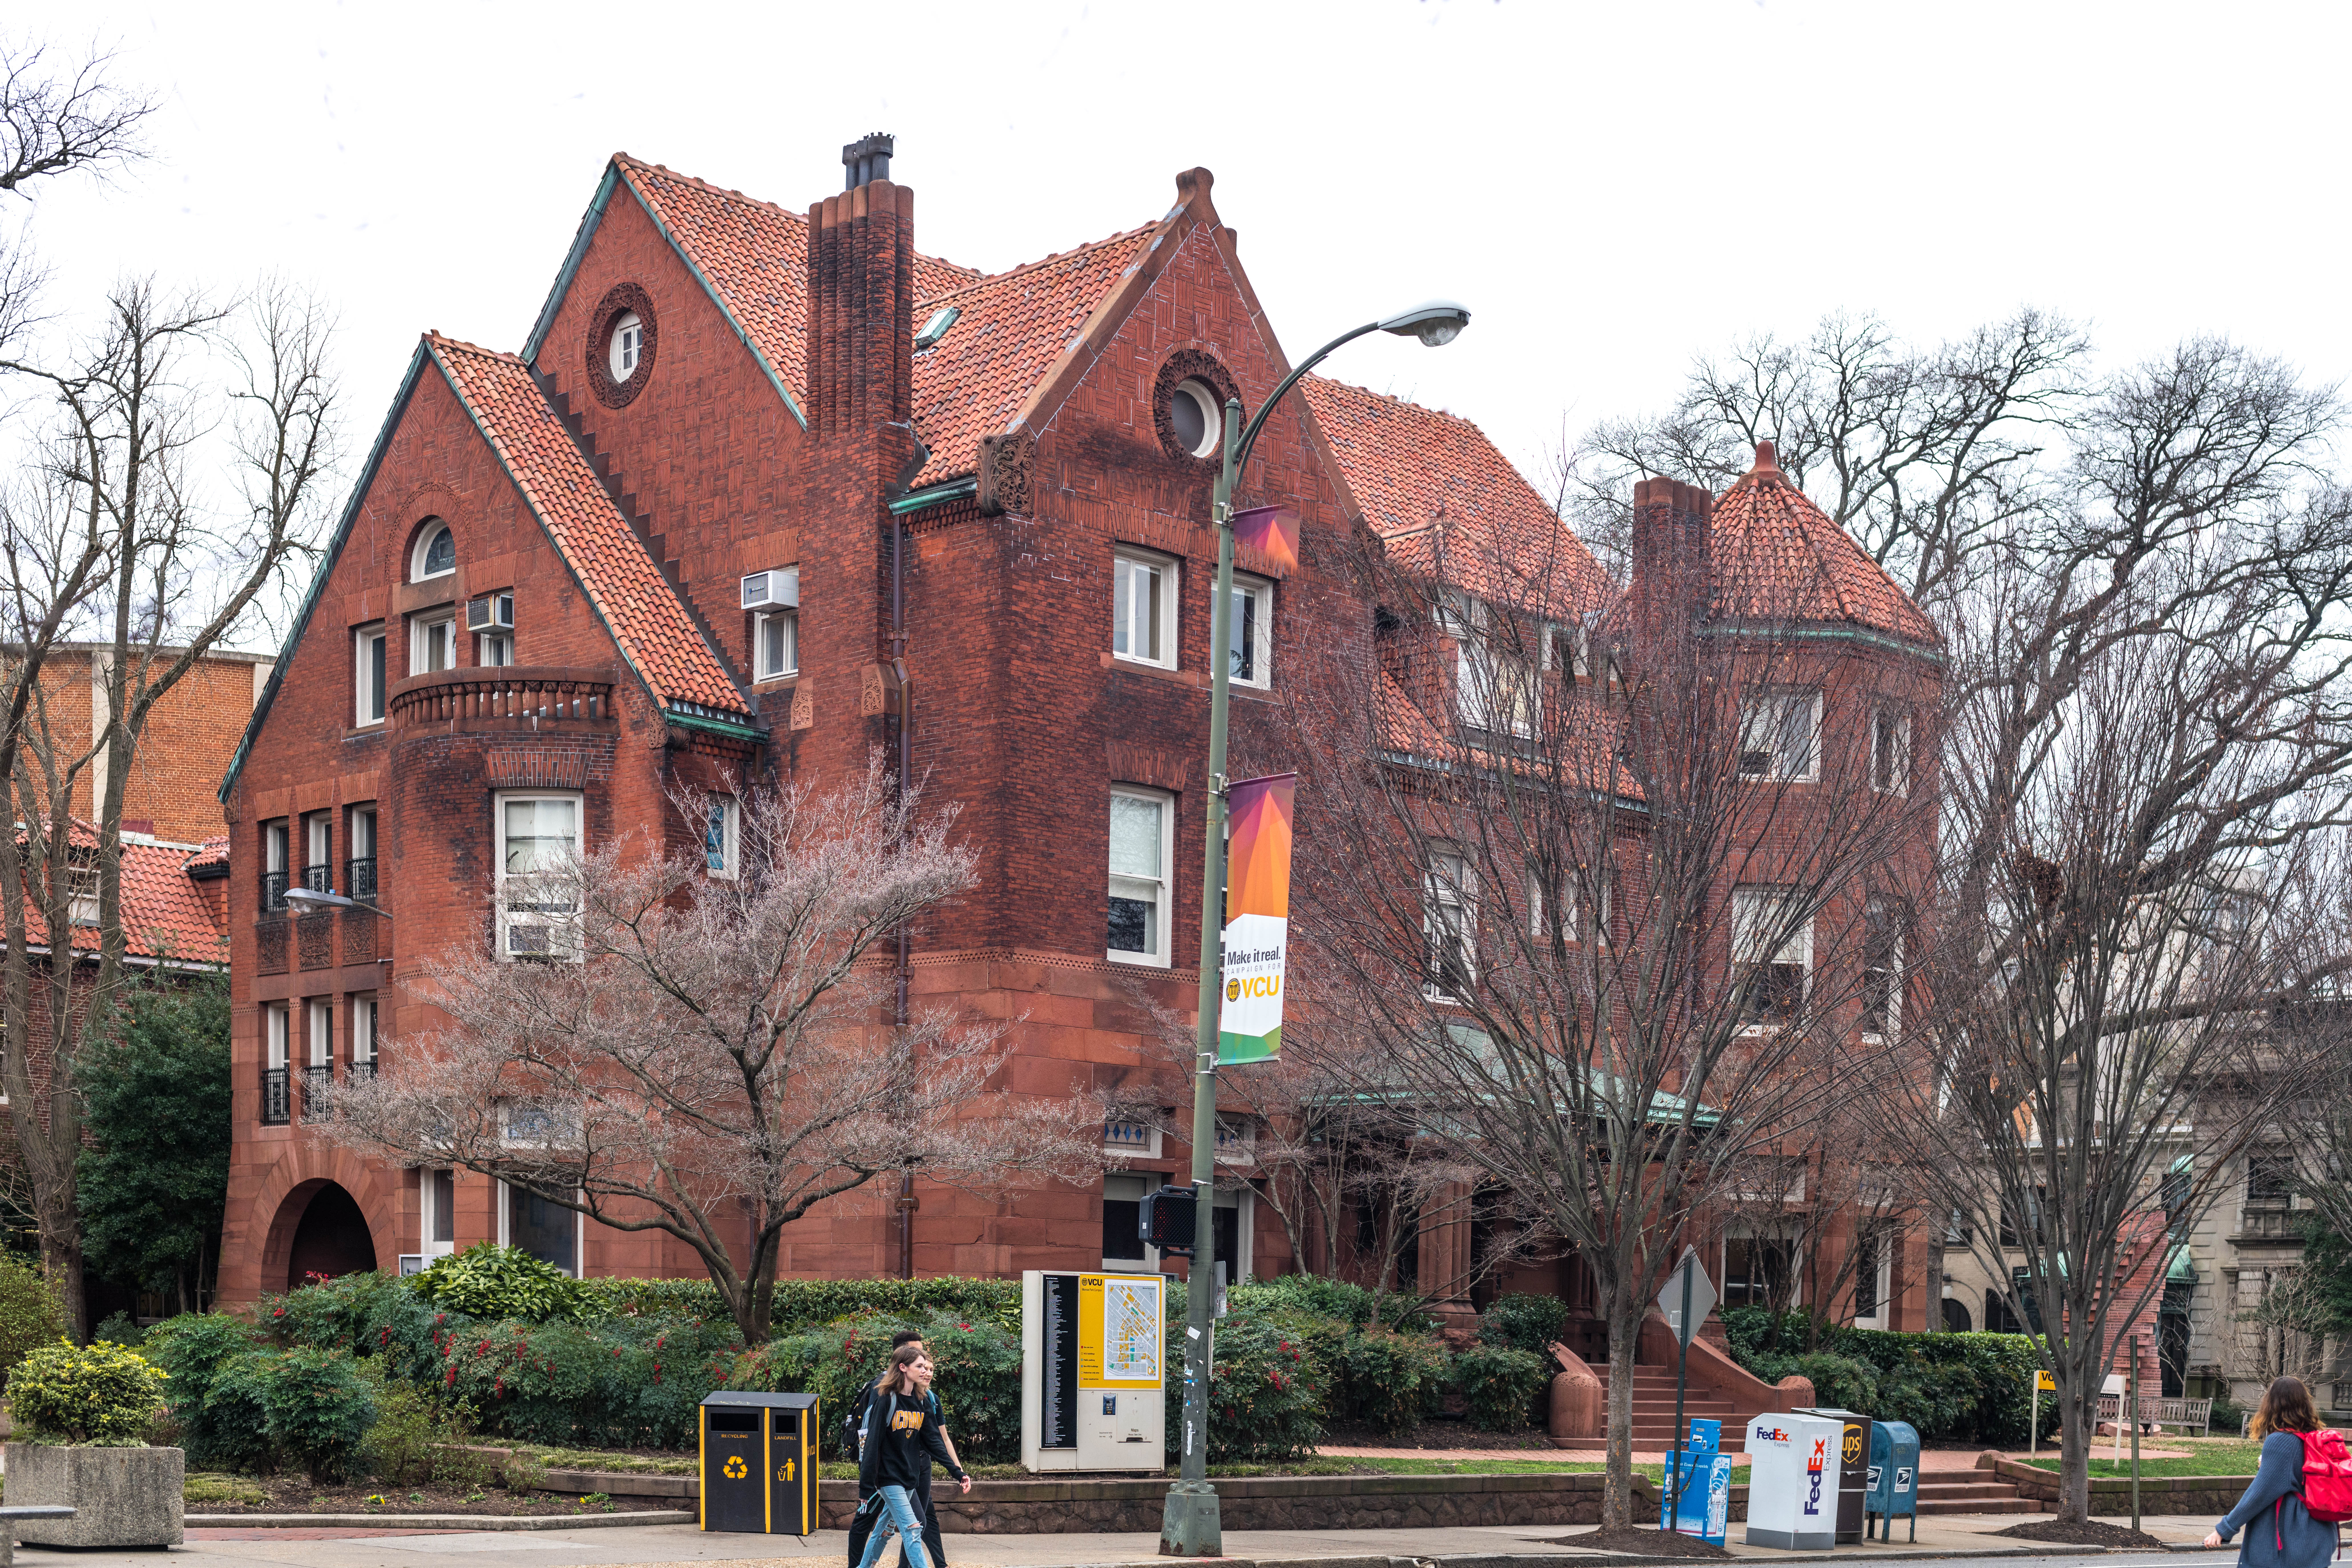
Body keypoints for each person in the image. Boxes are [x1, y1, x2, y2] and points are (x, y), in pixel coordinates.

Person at [847, 1333, 960, 1568]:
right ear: (903, 1364)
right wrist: (866, 1484)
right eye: (920, 1364)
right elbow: (871, 1440)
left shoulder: (923, 1398)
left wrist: (957, 1472)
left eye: (927, 1365)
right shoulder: (884, 1394)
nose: (926, 1369)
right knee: (912, 1527)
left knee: (885, 1529)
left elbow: (935, 1440)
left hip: (910, 1474)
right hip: (887, 1476)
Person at [2206, 1376, 2341, 1567]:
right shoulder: (2312, 1438)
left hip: (2289, 1545)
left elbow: (2258, 1494)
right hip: (2317, 1536)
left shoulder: (2282, 1441)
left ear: (2272, 1403)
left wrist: (2224, 1529)